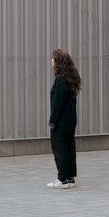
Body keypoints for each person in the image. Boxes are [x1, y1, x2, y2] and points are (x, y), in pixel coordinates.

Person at [47, 48, 81, 189]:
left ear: (58, 62)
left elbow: (58, 104)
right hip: (70, 120)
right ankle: (69, 178)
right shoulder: (69, 79)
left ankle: (62, 179)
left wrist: (52, 121)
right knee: (69, 148)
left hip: (61, 122)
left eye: (53, 58)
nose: (51, 60)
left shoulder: (60, 80)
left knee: (59, 149)